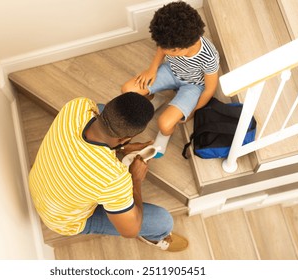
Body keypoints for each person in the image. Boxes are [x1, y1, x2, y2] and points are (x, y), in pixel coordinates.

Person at [28, 92, 188, 252]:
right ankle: (155, 239)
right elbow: (130, 231)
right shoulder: (114, 178)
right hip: (63, 220)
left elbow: (100, 115)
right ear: (125, 138)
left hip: (39, 183)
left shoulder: (77, 106)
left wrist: (121, 147)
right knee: (163, 222)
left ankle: (112, 135)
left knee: (99, 107)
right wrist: (135, 179)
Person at [121, 1, 220, 158]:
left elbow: (209, 89)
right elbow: (162, 49)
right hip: (171, 71)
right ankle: (154, 100)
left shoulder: (209, 56)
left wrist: (195, 111)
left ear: (189, 44)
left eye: (171, 51)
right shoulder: (170, 41)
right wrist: (152, 69)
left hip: (193, 86)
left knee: (164, 124)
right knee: (128, 90)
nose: (166, 52)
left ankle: (164, 136)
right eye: (163, 47)